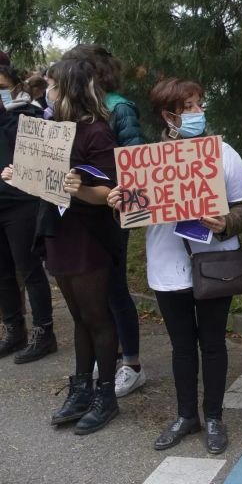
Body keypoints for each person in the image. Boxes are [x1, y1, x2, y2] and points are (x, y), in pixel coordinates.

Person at [107, 78, 242, 453]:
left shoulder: (224, 154)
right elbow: (133, 215)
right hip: (167, 266)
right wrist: (118, 204)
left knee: (213, 344)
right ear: (168, 115)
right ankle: (186, 415)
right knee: (182, 347)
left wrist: (225, 224)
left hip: (214, 262)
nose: (196, 113)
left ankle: (215, 417)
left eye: (198, 105)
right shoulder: (146, 161)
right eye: (188, 107)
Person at [3, 58, 121, 434]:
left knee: (97, 316)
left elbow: (111, 193)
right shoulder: (51, 128)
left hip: (89, 236)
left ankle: (107, 396)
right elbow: (43, 181)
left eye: (52, 85)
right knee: (78, 317)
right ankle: (81, 387)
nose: (47, 92)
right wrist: (19, 175)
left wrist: (81, 190)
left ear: (69, 89)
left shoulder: (97, 132)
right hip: (57, 230)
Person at [62, 44, 146, 398]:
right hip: (83, 216)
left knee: (113, 288)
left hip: (112, 211)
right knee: (97, 293)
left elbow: (135, 160)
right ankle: (107, 354)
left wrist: (129, 207)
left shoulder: (119, 108)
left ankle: (132, 363)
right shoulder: (76, 116)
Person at [0, 65, 56, 363]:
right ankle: (14, 330)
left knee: (30, 269)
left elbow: (44, 150)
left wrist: (16, 111)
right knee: (3, 273)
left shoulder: (26, 116)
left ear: (15, 87)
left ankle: (44, 333)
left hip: (21, 204)